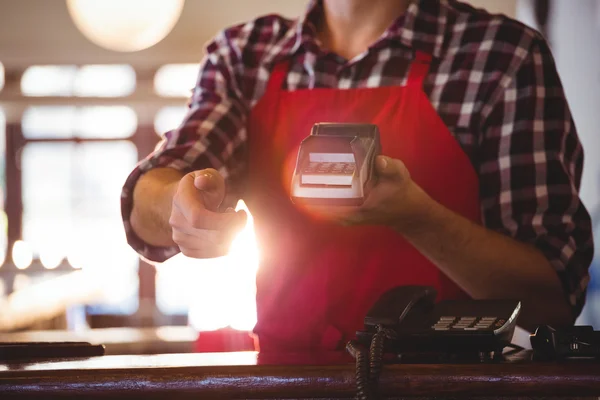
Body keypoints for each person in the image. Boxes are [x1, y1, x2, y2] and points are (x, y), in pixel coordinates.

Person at [122, 0, 594, 351]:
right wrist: (181, 206)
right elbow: (154, 194)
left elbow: (552, 299)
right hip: (287, 381)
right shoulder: (245, 54)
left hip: (457, 382)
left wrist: (416, 217)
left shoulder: (502, 56)